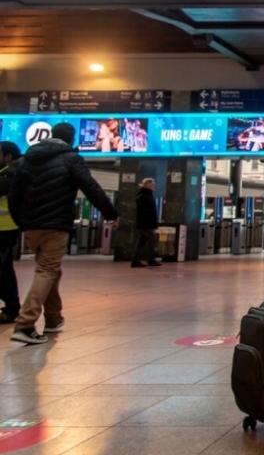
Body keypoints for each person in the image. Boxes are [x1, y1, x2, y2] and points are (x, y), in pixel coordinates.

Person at [8, 123, 119, 345]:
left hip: (30, 226)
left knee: (51, 271)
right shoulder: (70, 159)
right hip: (55, 226)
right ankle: (25, 324)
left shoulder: (26, 160)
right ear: (71, 139)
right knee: (47, 271)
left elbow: (14, 195)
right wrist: (110, 213)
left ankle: (53, 318)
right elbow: (91, 187)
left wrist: (21, 221)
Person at [0, 142, 23, 324]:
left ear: (8, 157)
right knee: (6, 272)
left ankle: (12, 308)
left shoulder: (11, 173)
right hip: (6, 228)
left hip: (5, 228)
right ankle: (12, 308)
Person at [132, 178, 161, 268]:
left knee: (142, 241)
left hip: (145, 222)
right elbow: (144, 210)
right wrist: (152, 218)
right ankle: (150, 259)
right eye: (152, 185)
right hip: (146, 223)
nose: (154, 187)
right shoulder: (144, 196)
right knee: (152, 238)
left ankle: (135, 260)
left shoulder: (145, 195)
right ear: (148, 185)